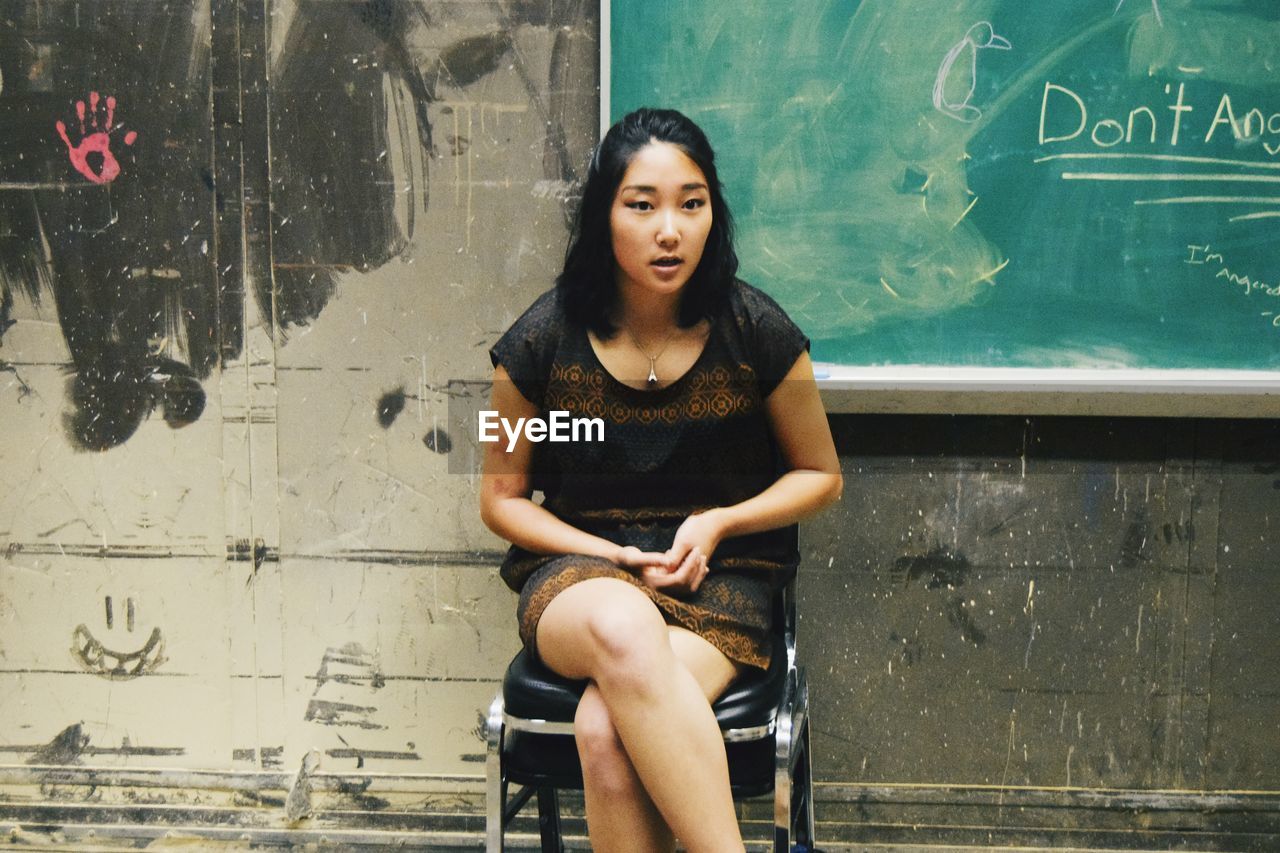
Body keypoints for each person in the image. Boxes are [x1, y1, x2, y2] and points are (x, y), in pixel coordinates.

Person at [480, 107, 841, 853]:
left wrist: (718, 522)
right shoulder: (537, 342)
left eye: (691, 203)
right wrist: (608, 557)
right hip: (579, 575)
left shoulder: (759, 331)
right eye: (641, 204)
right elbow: (499, 498)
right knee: (622, 622)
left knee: (604, 726)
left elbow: (821, 475)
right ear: (602, 214)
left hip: (722, 580)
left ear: (714, 212)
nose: (669, 229)